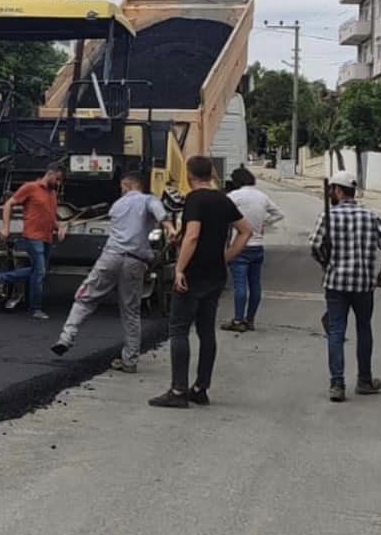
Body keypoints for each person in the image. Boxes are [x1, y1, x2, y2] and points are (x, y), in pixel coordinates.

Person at [150, 155, 253, 409]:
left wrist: (180, 269)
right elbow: (246, 230)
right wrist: (226, 257)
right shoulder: (223, 200)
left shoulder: (195, 199)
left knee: (179, 330)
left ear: (189, 175)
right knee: (206, 332)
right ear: (212, 175)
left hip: (193, 274)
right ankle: (201, 387)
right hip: (216, 275)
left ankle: (178, 390)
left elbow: (193, 235)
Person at [52, 169, 170, 372]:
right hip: (136, 261)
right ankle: (130, 361)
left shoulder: (117, 206)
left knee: (85, 297)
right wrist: (170, 227)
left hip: (111, 257)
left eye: (123, 187)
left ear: (129, 185)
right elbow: (158, 211)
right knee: (131, 311)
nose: (121, 190)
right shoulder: (149, 200)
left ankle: (67, 336)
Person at [310, 172, 381, 402]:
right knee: (364, 329)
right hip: (363, 285)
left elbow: (315, 246)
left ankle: (337, 384)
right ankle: (365, 381)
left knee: (336, 331)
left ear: (338, 191)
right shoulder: (371, 216)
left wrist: (326, 262)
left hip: (335, 284)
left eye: (333, 190)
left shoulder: (328, 217)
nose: (331, 194)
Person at [221, 165, 284, 333]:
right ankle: (250, 319)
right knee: (255, 284)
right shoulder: (261, 196)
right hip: (257, 246)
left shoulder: (234, 196)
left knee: (240, 285)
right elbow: (279, 214)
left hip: (240, 245)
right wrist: (265, 223)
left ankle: (238, 320)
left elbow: (222, 215)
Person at [0, 164, 65, 320]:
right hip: (33, 236)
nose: (59, 183)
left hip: (47, 236)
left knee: (38, 270)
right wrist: (5, 227)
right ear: (50, 174)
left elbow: (50, 216)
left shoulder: (53, 193)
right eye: (58, 179)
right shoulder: (30, 187)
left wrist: (60, 227)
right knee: (39, 272)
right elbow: (8, 204)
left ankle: (4, 277)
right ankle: (36, 309)